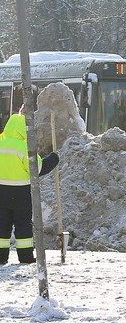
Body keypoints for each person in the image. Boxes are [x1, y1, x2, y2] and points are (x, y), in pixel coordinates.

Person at [0, 112, 59, 266]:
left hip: (1, 192)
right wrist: (54, 159)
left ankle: (0, 257)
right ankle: (25, 257)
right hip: (21, 193)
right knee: (23, 225)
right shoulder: (24, 148)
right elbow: (38, 169)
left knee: (2, 224)